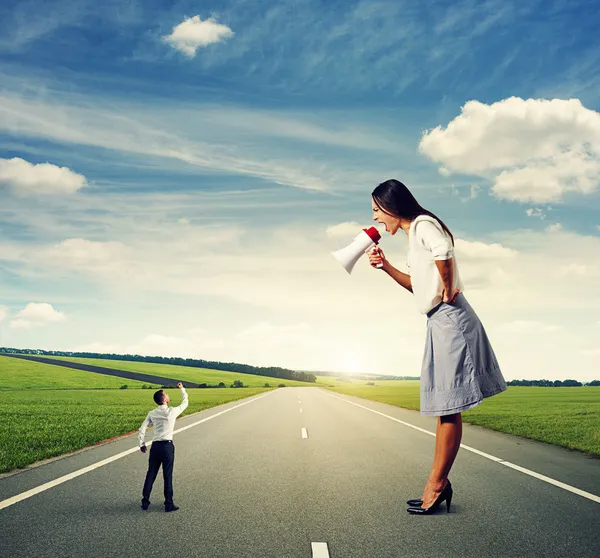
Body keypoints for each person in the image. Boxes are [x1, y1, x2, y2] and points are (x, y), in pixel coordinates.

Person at [367, 179, 507, 515]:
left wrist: (447, 288)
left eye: (376, 211)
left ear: (391, 206)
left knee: (448, 407)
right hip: (438, 320)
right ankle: (436, 483)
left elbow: (444, 252)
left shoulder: (423, 225)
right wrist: (386, 266)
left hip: (450, 318)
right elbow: (417, 286)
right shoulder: (413, 236)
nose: (375, 219)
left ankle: (437, 484)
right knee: (446, 406)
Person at [138, 382, 189, 512]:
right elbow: (185, 403)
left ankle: (145, 501)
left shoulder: (152, 413)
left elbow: (142, 427)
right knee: (168, 475)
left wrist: (142, 443)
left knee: (151, 473)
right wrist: (181, 388)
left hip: (155, 447)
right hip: (167, 447)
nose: (168, 395)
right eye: (166, 394)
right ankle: (168, 503)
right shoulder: (172, 411)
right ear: (164, 399)